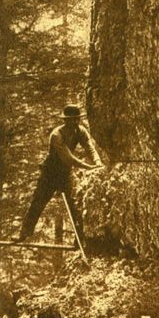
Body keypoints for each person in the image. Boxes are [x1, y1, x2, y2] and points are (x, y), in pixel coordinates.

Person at [18, 104, 103, 243]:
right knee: (38, 202)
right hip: (49, 174)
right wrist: (88, 167)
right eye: (71, 120)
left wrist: (97, 161)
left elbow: (89, 146)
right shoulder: (56, 135)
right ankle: (24, 233)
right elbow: (68, 157)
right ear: (65, 120)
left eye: (77, 119)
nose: (75, 122)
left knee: (75, 205)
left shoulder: (80, 131)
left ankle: (80, 240)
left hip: (65, 173)